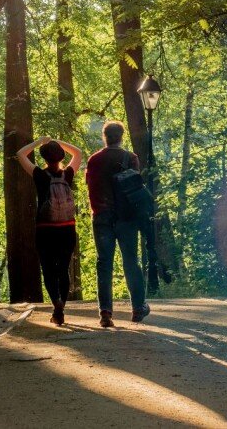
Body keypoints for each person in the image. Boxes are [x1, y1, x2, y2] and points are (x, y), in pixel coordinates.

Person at [85, 119, 150, 327]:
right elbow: (136, 189)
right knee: (131, 261)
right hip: (127, 218)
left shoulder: (94, 160)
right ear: (121, 136)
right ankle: (138, 308)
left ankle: (105, 313)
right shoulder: (130, 158)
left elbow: (90, 188)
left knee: (104, 264)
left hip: (102, 216)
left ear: (104, 137)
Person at [17, 136, 82, 326]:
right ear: (61, 156)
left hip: (45, 229)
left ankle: (56, 303)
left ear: (44, 158)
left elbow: (20, 153)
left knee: (48, 269)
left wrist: (39, 142)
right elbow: (78, 152)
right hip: (67, 228)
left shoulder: (39, 175)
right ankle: (60, 307)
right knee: (63, 269)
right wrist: (58, 141)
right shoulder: (68, 174)